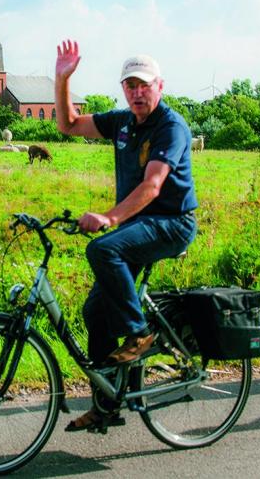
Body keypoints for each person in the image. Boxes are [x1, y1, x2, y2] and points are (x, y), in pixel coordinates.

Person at [54, 40, 198, 431]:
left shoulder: (171, 127)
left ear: (160, 86)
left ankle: (139, 333)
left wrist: (109, 217)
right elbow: (67, 124)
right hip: (140, 226)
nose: (137, 92)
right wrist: (63, 78)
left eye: (144, 85)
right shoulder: (121, 123)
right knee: (94, 314)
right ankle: (107, 405)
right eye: (130, 85)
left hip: (172, 223)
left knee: (103, 250)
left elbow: (153, 186)